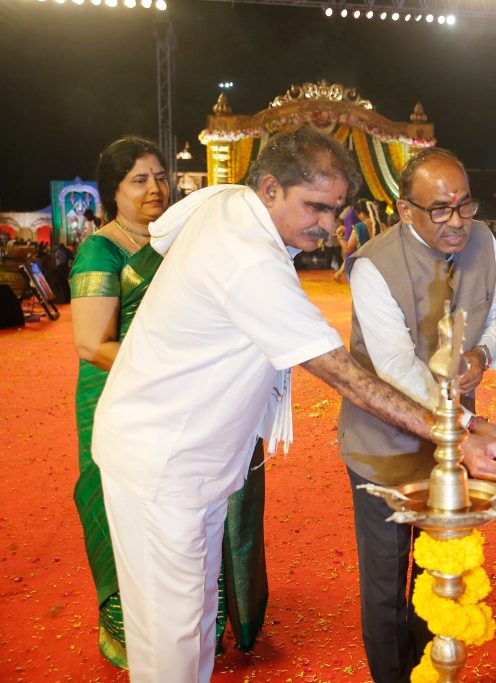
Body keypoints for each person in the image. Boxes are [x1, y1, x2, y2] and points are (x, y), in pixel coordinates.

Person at [91, 127, 496, 682]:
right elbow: (349, 377)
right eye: (314, 206)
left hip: (190, 457)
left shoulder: (227, 202)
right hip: (162, 460)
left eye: (336, 209)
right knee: (171, 637)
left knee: (188, 624)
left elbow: (165, 231)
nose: (328, 224)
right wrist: (457, 432)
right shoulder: (248, 261)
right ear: (268, 188)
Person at [69, 137, 269, 669]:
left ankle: (208, 625)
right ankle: (138, 636)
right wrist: (170, 367)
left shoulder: (180, 238)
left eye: (161, 176)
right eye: (139, 179)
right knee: (133, 517)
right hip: (123, 395)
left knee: (206, 504)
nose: (156, 187)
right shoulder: (103, 249)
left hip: (192, 396)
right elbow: (91, 343)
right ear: (113, 191)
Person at [340, 147, 496, 681]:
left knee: (439, 570)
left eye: (465, 206)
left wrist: (483, 355)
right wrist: (463, 425)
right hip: (384, 448)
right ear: (404, 209)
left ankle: (434, 671)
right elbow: (393, 364)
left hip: (455, 444)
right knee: (388, 584)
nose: (458, 221)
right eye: (440, 210)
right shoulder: (373, 265)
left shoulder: (485, 242)